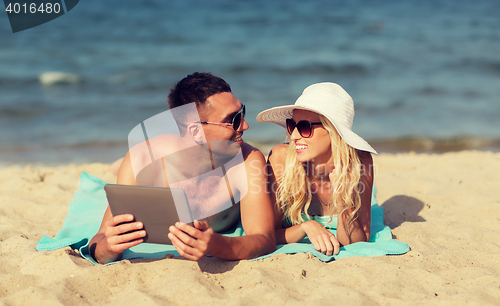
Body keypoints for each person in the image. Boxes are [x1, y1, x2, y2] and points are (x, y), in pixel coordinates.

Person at [89, 72, 275, 264]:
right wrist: (109, 247)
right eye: (233, 120)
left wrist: (216, 245)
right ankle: (115, 166)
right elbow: (100, 241)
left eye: (242, 113)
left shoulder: (247, 160)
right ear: (196, 131)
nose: (245, 125)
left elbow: (265, 240)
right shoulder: (144, 160)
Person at [257, 82, 377, 256]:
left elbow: (357, 242)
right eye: (292, 126)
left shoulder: (360, 162)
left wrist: (342, 199)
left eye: (305, 127)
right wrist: (306, 227)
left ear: (333, 130)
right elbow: (267, 235)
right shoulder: (280, 159)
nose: (294, 136)